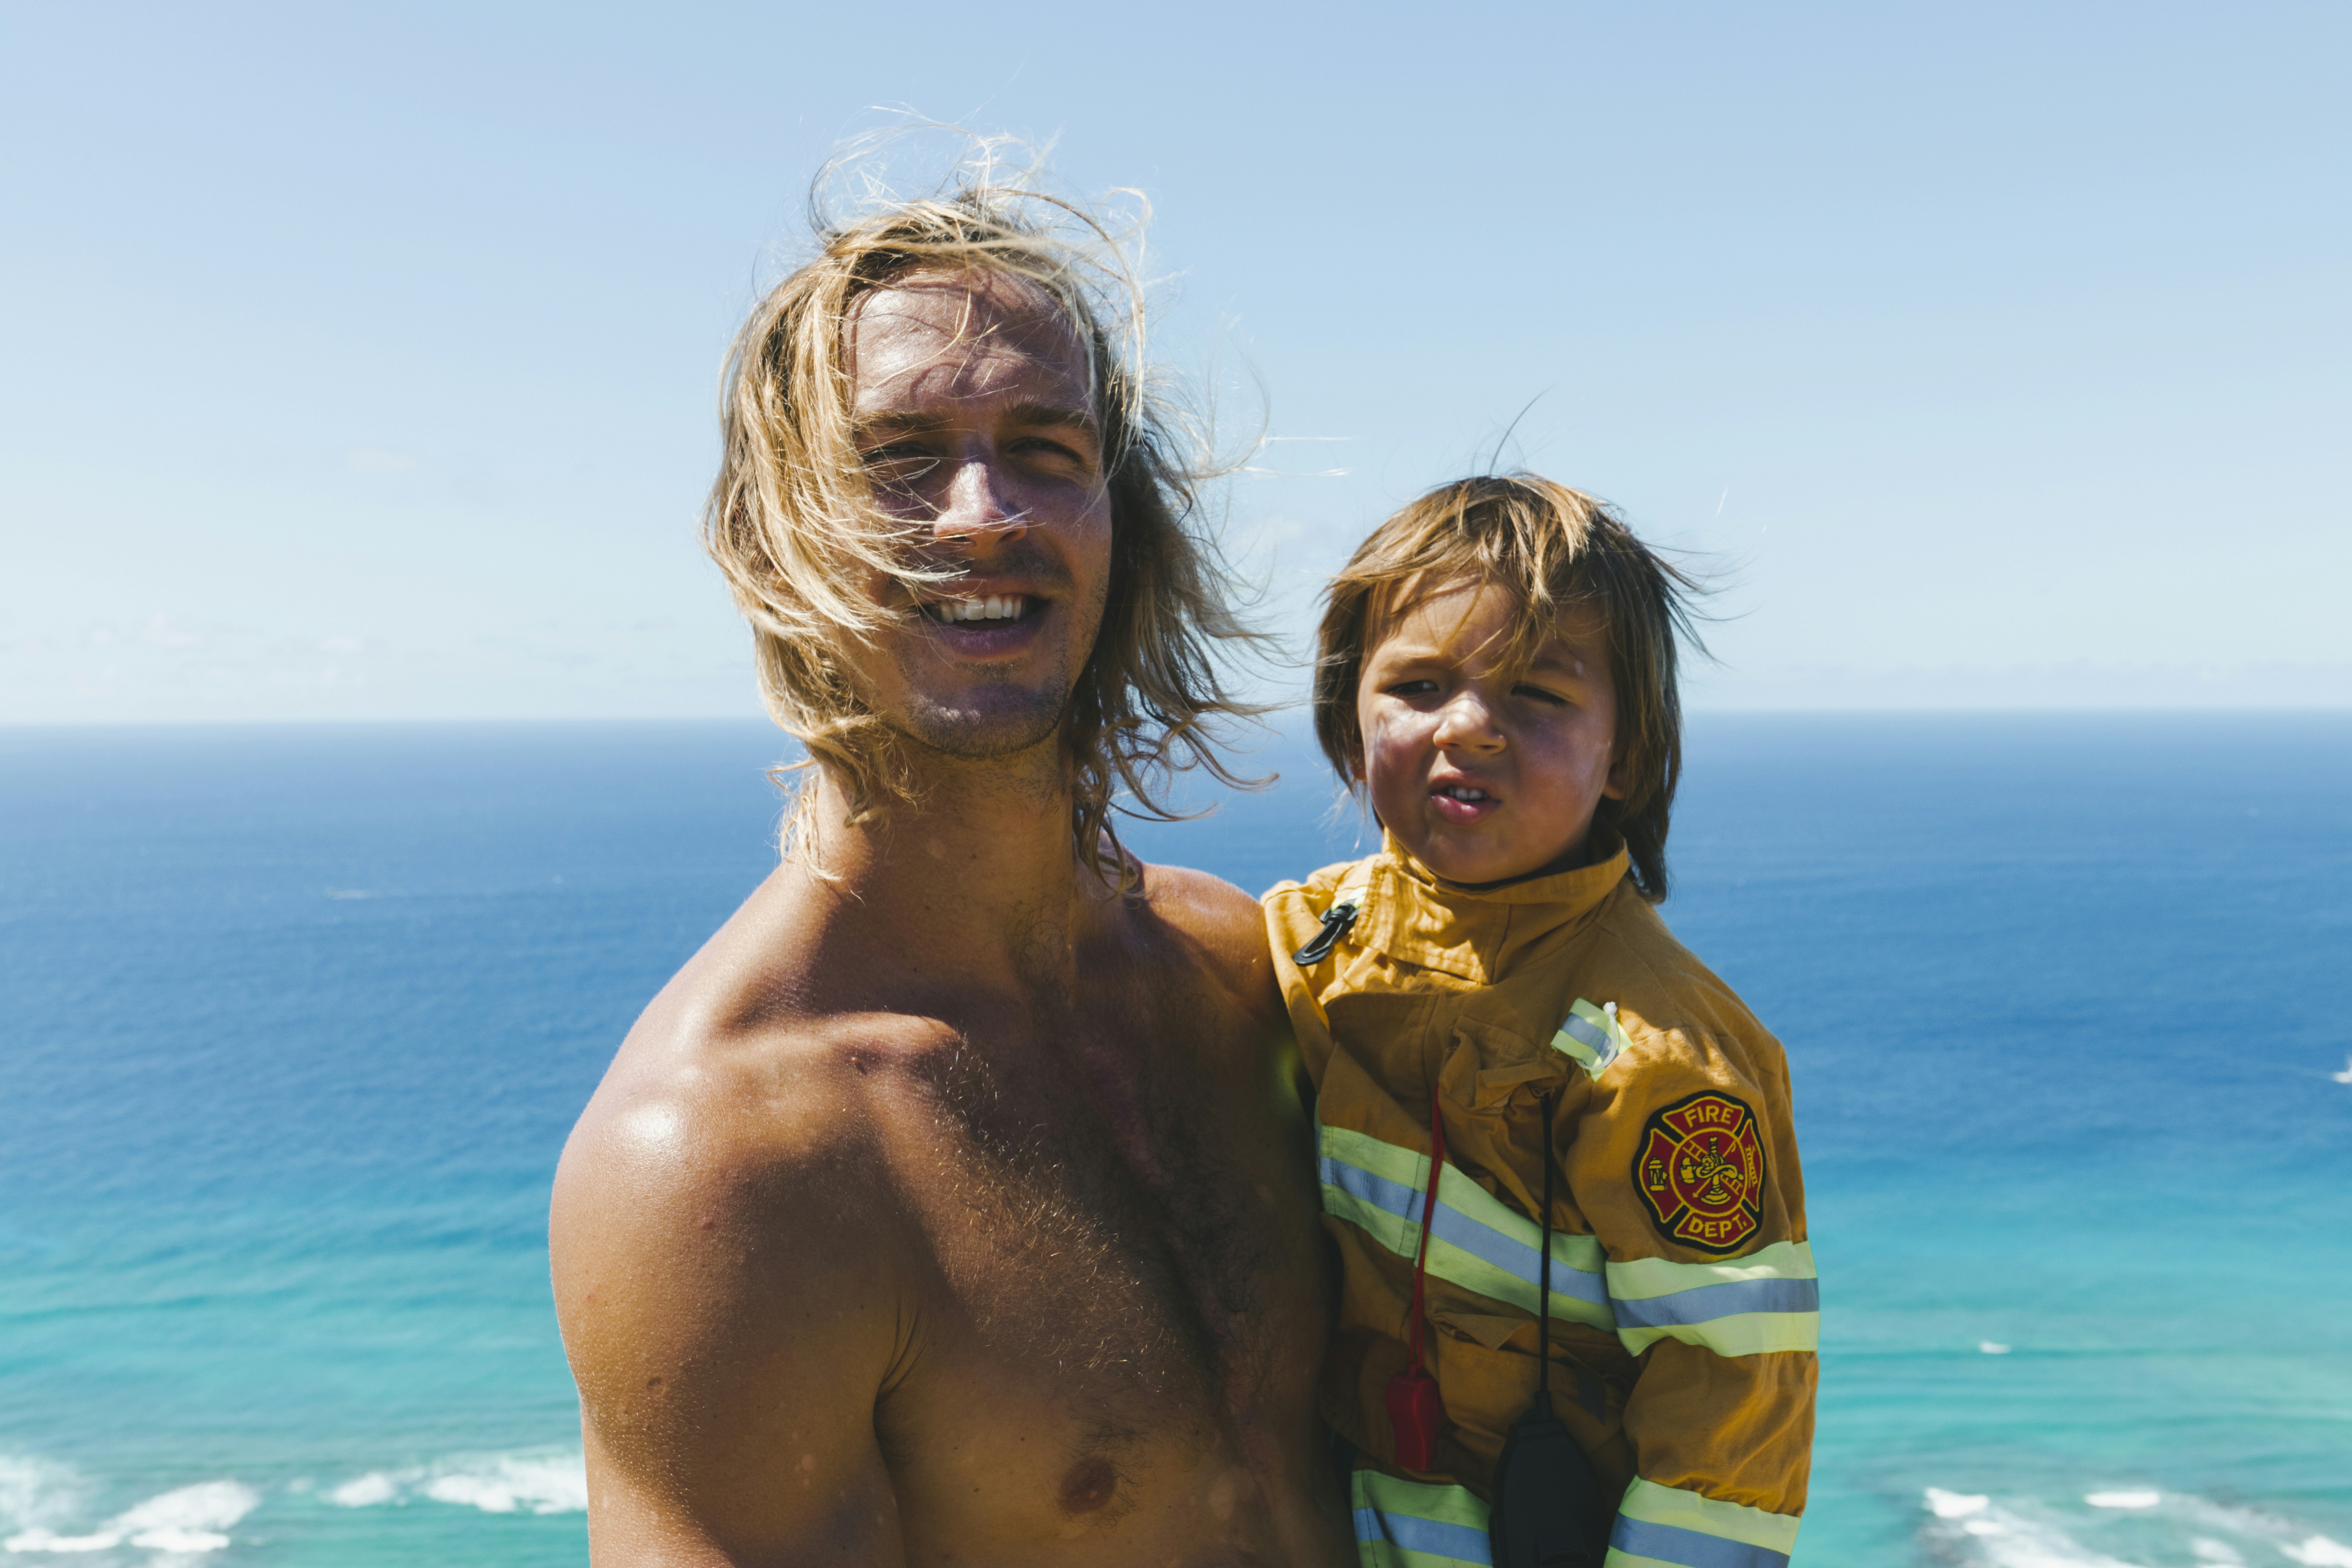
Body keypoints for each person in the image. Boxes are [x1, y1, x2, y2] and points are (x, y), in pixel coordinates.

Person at [550, 178, 1354, 1566]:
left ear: (1125, 516)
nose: (984, 514)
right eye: (900, 456)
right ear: (771, 541)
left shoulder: (1244, 978)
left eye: (1046, 446)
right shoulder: (731, 1161)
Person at [1263, 475, 1817, 1568]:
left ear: (1630, 757)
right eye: (1418, 685)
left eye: (1535, 695)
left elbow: (1733, 1415)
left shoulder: (1655, 1057)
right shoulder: (1303, 943)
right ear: (1347, 723)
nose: (1469, 726)